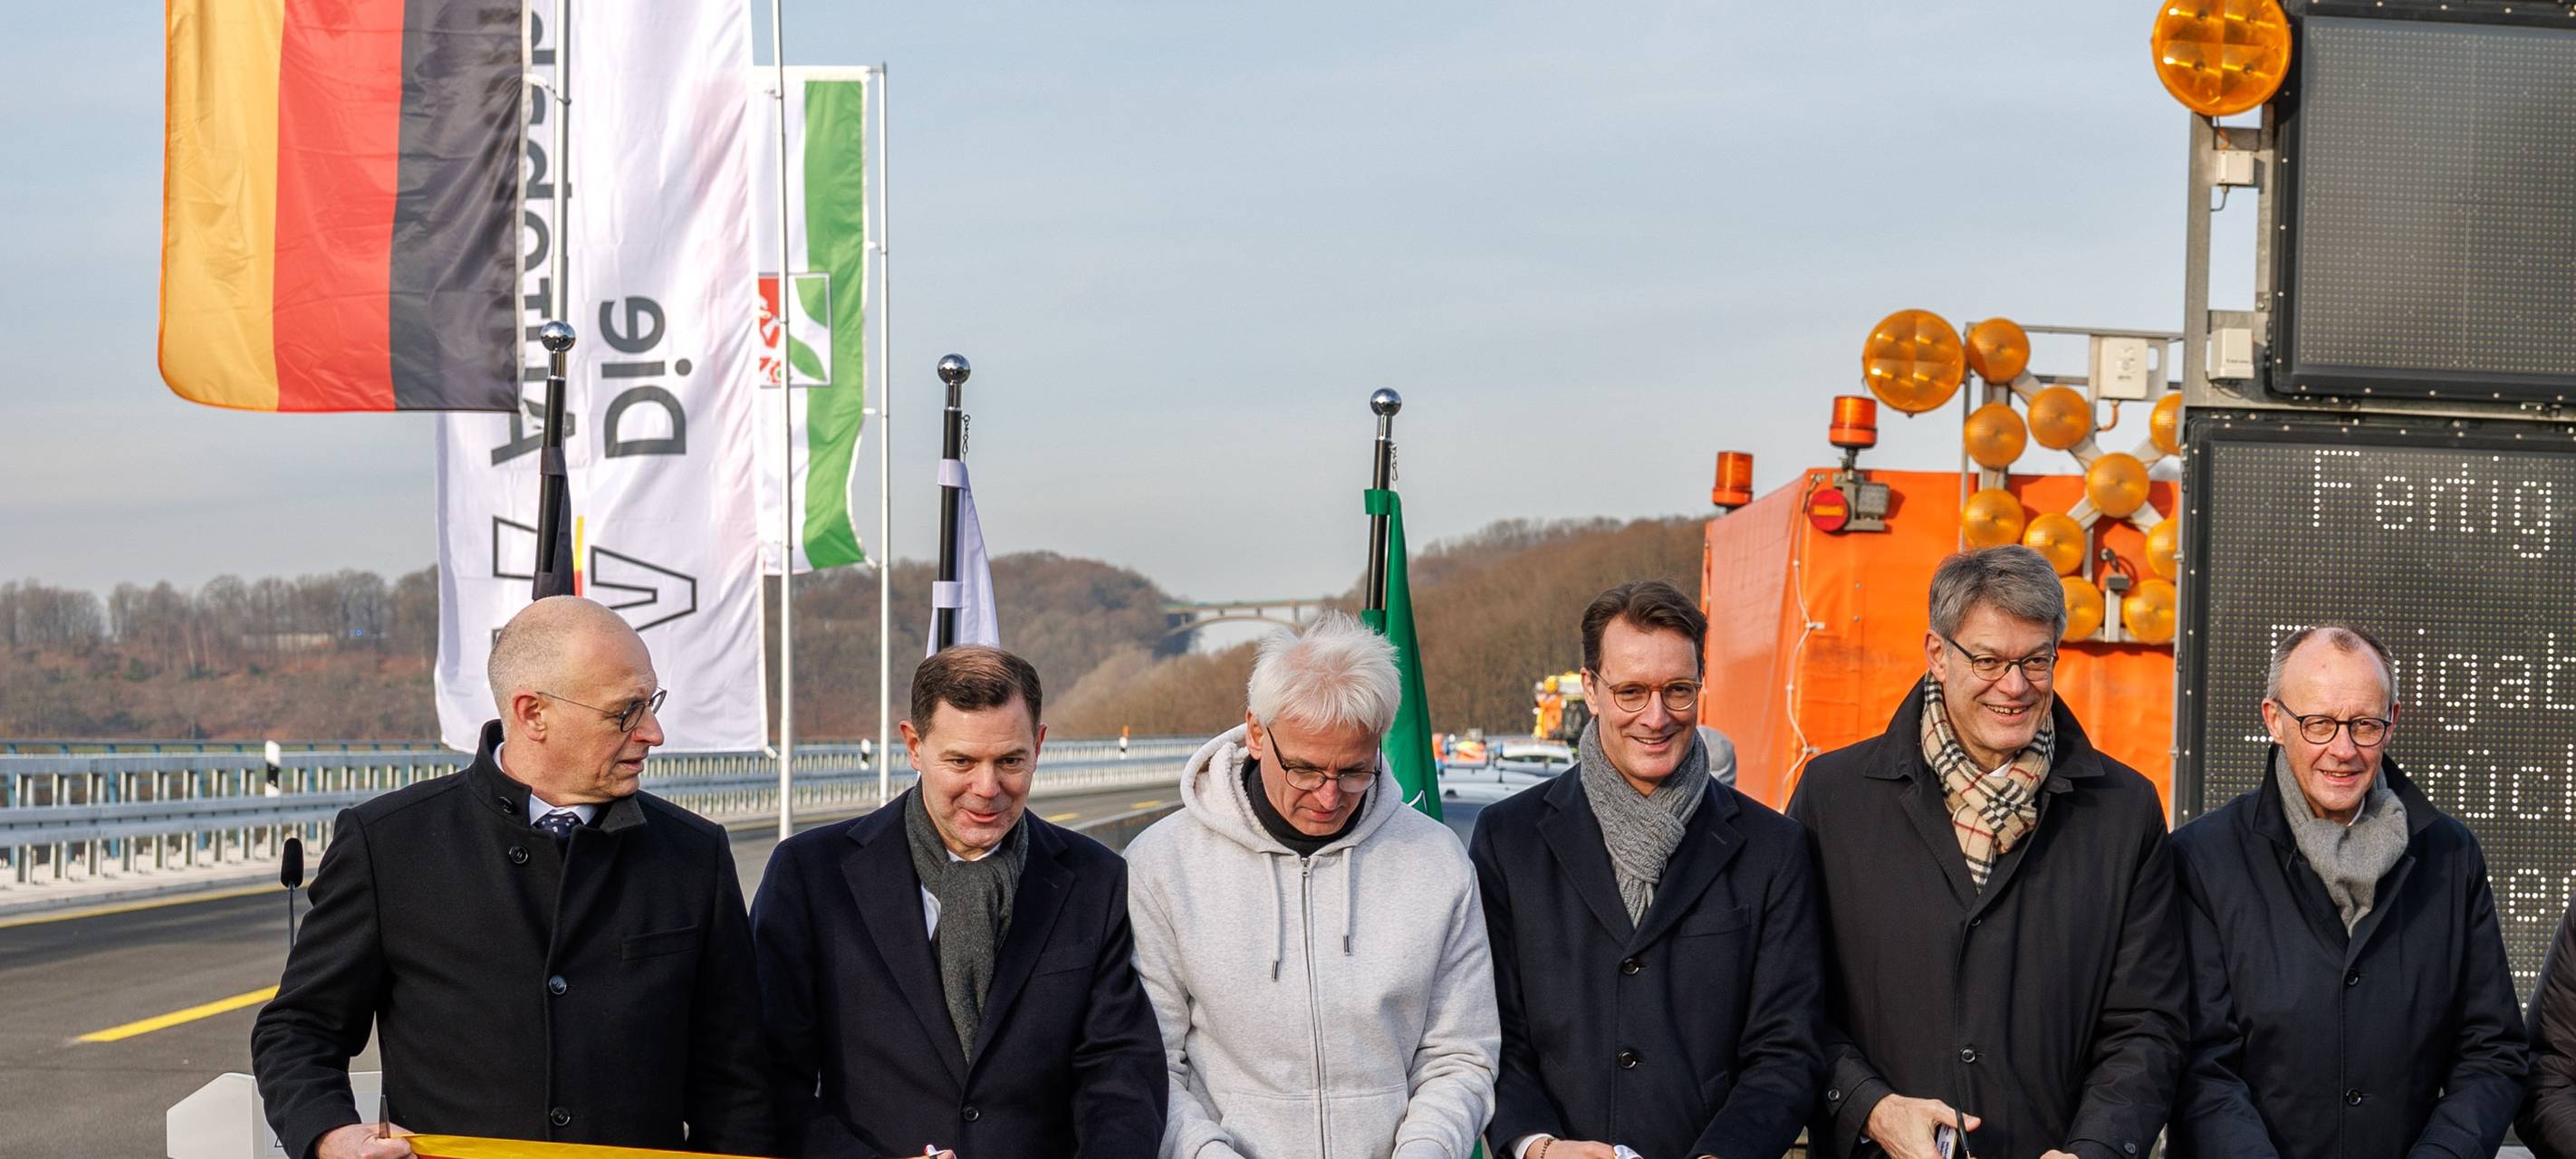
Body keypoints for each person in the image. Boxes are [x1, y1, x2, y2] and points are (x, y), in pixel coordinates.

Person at [252, 596, 771, 1159]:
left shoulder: (694, 855)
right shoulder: (389, 843)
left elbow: (737, 1076)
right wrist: (332, 1136)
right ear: (532, 714)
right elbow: (299, 1029)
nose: (654, 732)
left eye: (652, 704)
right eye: (626, 710)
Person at [1786, 545, 2186, 1159]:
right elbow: (1790, 1003)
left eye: (2036, 660)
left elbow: (2146, 1022)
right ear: (1937, 656)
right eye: (1990, 660)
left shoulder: (2124, 812)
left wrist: (2097, 1147)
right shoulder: (1833, 799)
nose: (2016, 686)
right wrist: (1871, 1108)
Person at [752, 645, 1166, 1156]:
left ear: (1039, 744)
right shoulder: (811, 875)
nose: (987, 788)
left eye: (1010, 760)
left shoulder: (1094, 879)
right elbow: (767, 1076)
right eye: (961, 761)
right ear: (913, 745)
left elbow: (1119, 1071)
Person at [1472, 580, 1822, 1159]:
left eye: (1678, 691)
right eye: (1631, 691)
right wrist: (1537, 1146)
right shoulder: (1509, 839)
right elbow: (1490, 1030)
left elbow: (1787, 1047)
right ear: (1591, 687)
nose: (1656, 717)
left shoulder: (1773, 848)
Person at [1125, 613, 1497, 1158]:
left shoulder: (1436, 861)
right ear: (1256, 732)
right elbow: (1148, 1059)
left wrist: (1427, 1149)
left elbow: (1460, 1053)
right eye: (1304, 770)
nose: (1329, 797)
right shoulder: (1162, 865)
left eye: (1353, 772)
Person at [2172, 624, 2524, 1158]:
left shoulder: (2451, 857)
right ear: (2275, 720)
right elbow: (2198, 1063)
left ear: (2392, 723)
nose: (2342, 750)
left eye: (2364, 725)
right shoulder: (2201, 858)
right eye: (2318, 724)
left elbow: (2492, 1052)